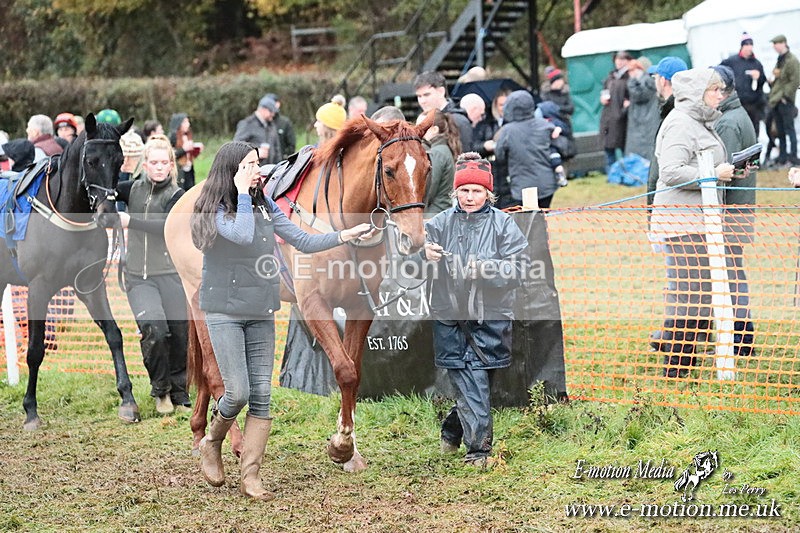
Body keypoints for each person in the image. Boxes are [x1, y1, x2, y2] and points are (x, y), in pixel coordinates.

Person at [190, 141, 373, 500]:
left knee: (261, 397)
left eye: (258, 164)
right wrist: (244, 194)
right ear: (232, 170)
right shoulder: (212, 207)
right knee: (238, 392)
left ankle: (251, 477)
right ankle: (213, 441)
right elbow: (241, 234)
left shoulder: (263, 203)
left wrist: (344, 235)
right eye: (250, 165)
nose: (260, 171)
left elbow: (301, 239)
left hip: (260, 309)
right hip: (224, 310)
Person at [418, 152, 528, 467]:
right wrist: (423, 256)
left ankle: (451, 433)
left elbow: (519, 270)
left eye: (476, 191)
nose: (469, 197)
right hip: (450, 318)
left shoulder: (504, 225)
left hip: (492, 319)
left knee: (479, 382)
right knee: (472, 379)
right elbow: (406, 266)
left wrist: (483, 269)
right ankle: (478, 451)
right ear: (455, 191)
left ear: (488, 193)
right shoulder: (437, 224)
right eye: (464, 190)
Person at [650, 68, 738, 378]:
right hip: (681, 224)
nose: (720, 95)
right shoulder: (680, 123)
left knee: (697, 293)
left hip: (698, 221)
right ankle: (675, 364)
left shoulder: (699, 121)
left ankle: (680, 355)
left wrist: (726, 170)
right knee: (689, 293)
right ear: (699, 92)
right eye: (714, 90)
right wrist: (714, 173)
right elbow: (671, 171)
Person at [115, 134, 190, 414]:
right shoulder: (130, 189)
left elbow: (166, 226)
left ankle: (180, 392)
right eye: (153, 162)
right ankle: (161, 391)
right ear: (144, 165)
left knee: (180, 335)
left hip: (171, 275)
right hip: (138, 278)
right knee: (155, 331)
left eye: (164, 162)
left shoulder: (177, 196)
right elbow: (100, 188)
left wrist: (129, 221)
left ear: (172, 165)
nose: (159, 167)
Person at [712, 64, 757, 357]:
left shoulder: (728, 123)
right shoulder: (739, 114)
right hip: (742, 210)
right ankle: (743, 340)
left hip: (730, 213)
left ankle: (741, 341)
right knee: (733, 275)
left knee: (730, 278)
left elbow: (723, 176)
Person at [494, 90, 564, 208]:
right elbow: (558, 142)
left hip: (522, 185)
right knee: (542, 216)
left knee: (526, 220)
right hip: (546, 184)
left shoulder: (507, 131)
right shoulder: (544, 125)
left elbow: (499, 155)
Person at [646, 56, 689, 207]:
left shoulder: (673, 115)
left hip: (670, 205)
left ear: (663, 81)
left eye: (655, 77)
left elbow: (660, 169)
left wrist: (653, 207)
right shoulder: (688, 108)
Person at [720, 32, 767, 136]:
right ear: (742, 46)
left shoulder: (756, 63)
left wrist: (759, 78)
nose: (749, 48)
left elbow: (763, 81)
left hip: (754, 105)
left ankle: (755, 151)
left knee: (754, 133)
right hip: (738, 104)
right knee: (739, 131)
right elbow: (720, 71)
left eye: (751, 45)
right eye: (747, 45)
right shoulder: (731, 61)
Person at [413, 71, 472, 150]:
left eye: (426, 95)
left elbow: (466, 157)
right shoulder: (423, 118)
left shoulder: (459, 120)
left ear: (441, 92)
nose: (422, 101)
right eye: (419, 96)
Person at [416, 109, 460, 214]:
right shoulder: (442, 148)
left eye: (422, 127)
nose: (417, 131)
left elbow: (429, 190)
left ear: (434, 129)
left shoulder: (436, 153)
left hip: (433, 215)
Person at [767, 35, 800, 166]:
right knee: (780, 131)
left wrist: (786, 96)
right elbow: (779, 79)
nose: (774, 46)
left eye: (776, 43)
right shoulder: (780, 60)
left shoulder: (792, 60)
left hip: (784, 101)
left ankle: (793, 157)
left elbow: (796, 79)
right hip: (776, 100)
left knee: (789, 129)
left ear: (783, 43)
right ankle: (782, 157)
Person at [599, 51, 632, 173]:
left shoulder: (629, 77)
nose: (619, 62)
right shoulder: (610, 77)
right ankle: (612, 174)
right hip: (608, 117)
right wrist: (602, 99)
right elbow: (604, 92)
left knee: (624, 148)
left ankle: (627, 174)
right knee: (608, 149)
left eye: (622, 59)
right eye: (617, 59)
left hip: (622, 118)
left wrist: (626, 107)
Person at [625, 58, 660, 162]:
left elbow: (639, 96)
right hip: (651, 120)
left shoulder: (637, 83)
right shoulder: (651, 81)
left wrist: (631, 82)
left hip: (640, 122)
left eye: (631, 71)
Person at [234, 95, 283, 165]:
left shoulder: (272, 125)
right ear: (263, 109)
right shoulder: (247, 124)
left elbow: (277, 149)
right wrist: (255, 153)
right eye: (271, 111)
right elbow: (236, 148)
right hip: (253, 172)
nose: (273, 114)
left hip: (271, 171)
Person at [168, 113, 203, 190]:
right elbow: (170, 155)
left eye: (188, 122)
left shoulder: (188, 135)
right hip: (179, 171)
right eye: (185, 122)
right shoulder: (173, 136)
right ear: (178, 124)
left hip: (189, 169)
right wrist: (184, 149)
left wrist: (196, 150)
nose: (188, 124)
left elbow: (189, 155)